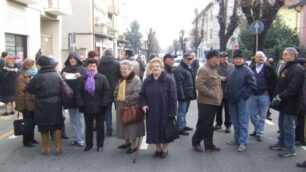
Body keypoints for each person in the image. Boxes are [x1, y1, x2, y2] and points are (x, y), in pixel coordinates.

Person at [269, 47, 305, 157]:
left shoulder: (296, 69)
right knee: (282, 124)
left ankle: (291, 149)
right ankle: (282, 143)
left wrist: (280, 96)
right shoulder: (287, 67)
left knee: (288, 127)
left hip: (291, 104)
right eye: (283, 54)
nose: (283, 57)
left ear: (293, 56)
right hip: (284, 104)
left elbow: (293, 89)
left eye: (285, 55)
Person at [141, 57, 177, 159]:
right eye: (153, 66)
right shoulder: (147, 81)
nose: (155, 68)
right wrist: (143, 104)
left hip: (165, 110)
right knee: (153, 130)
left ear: (161, 68)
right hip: (151, 111)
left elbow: (174, 97)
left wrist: (173, 112)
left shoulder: (168, 80)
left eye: (157, 66)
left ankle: (165, 149)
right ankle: (158, 149)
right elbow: (142, 95)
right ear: (150, 68)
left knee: (165, 131)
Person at [27, 56, 63, 156]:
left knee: (43, 126)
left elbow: (30, 89)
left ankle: (46, 148)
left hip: (42, 104)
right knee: (57, 126)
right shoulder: (57, 74)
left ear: (40, 65)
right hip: (56, 102)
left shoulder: (38, 76)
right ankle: (58, 147)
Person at [76, 58, 111, 152]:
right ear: (87, 67)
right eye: (90, 66)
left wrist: (104, 103)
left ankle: (100, 145)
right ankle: (89, 144)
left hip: (99, 106)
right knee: (88, 127)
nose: (92, 68)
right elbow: (78, 92)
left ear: (96, 67)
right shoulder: (82, 78)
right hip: (87, 106)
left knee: (100, 127)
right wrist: (81, 104)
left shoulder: (102, 77)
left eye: (94, 66)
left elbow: (107, 91)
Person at [192, 50, 223, 152]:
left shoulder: (214, 69)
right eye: (217, 57)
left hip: (213, 102)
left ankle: (209, 144)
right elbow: (199, 85)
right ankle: (196, 142)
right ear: (211, 58)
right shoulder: (204, 69)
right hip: (205, 102)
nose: (219, 59)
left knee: (209, 125)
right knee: (204, 124)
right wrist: (212, 94)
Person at [226, 50, 256, 152]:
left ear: (243, 60)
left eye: (240, 59)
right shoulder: (232, 71)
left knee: (243, 122)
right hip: (232, 100)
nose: (238, 60)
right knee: (235, 121)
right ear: (233, 60)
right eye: (236, 59)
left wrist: (244, 96)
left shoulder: (248, 71)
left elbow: (252, 86)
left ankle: (243, 142)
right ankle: (236, 139)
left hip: (242, 100)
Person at [114, 60, 144, 154]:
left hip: (132, 106)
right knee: (124, 124)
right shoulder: (121, 79)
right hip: (121, 106)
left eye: (125, 69)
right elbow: (116, 91)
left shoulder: (136, 79)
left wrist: (124, 98)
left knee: (132, 126)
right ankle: (127, 142)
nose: (123, 70)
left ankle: (133, 145)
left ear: (131, 69)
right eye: (121, 68)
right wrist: (116, 97)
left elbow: (137, 93)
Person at [248, 51, 277, 141]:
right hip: (252, 95)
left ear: (265, 58)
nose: (261, 58)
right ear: (255, 58)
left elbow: (275, 81)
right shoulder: (251, 67)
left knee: (263, 115)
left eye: (262, 57)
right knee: (252, 115)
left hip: (265, 95)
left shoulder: (269, 68)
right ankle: (258, 128)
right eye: (259, 57)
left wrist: (269, 91)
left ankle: (259, 132)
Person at [61, 52, 86, 147]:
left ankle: (80, 139)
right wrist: (62, 77)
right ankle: (75, 138)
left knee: (79, 119)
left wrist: (81, 77)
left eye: (74, 58)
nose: (72, 59)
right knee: (72, 119)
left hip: (80, 97)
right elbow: (61, 84)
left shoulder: (82, 69)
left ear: (78, 59)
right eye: (70, 58)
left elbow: (87, 83)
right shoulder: (65, 69)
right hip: (69, 98)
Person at [15, 59, 39, 147]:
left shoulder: (31, 76)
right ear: (28, 67)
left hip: (32, 104)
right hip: (26, 105)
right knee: (27, 123)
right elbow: (20, 93)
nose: (35, 67)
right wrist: (22, 107)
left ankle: (31, 138)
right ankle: (26, 141)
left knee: (32, 123)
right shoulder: (21, 78)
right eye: (33, 66)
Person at [98, 49, 120, 136]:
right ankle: (120, 128)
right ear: (112, 54)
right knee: (118, 109)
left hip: (104, 89)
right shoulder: (117, 63)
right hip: (116, 89)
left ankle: (109, 129)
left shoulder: (99, 63)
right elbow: (120, 75)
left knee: (107, 110)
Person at [174, 52, 197, 135]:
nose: (190, 60)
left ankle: (183, 124)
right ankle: (180, 127)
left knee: (185, 111)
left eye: (191, 59)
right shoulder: (179, 69)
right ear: (183, 59)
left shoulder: (187, 67)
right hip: (183, 94)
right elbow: (179, 84)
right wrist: (182, 96)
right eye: (188, 59)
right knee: (181, 111)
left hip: (188, 93)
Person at [214, 51, 234, 133]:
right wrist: (219, 77)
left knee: (228, 110)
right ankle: (218, 124)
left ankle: (228, 125)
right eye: (223, 57)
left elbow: (234, 76)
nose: (225, 58)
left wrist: (227, 78)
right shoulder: (216, 66)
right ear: (220, 58)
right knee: (218, 109)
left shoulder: (232, 66)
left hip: (229, 91)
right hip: (219, 90)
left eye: (226, 57)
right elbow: (213, 75)